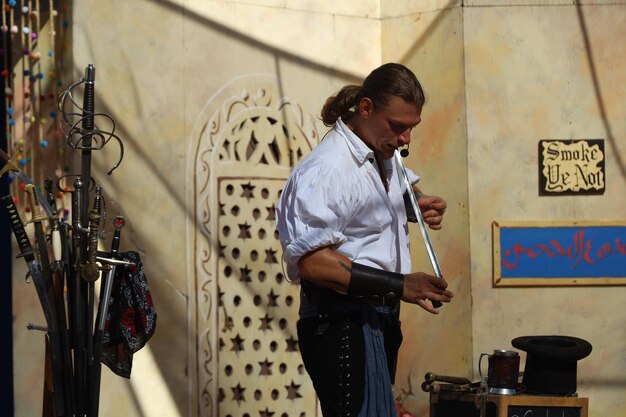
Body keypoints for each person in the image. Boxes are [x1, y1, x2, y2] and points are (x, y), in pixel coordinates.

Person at [275, 63, 453, 417]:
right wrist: (401, 284)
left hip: (376, 318)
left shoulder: (381, 151)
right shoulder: (329, 168)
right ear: (367, 108)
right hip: (341, 322)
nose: (406, 139)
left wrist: (416, 204)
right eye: (398, 127)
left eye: (411, 128)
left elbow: (386, 193)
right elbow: (313, 262)